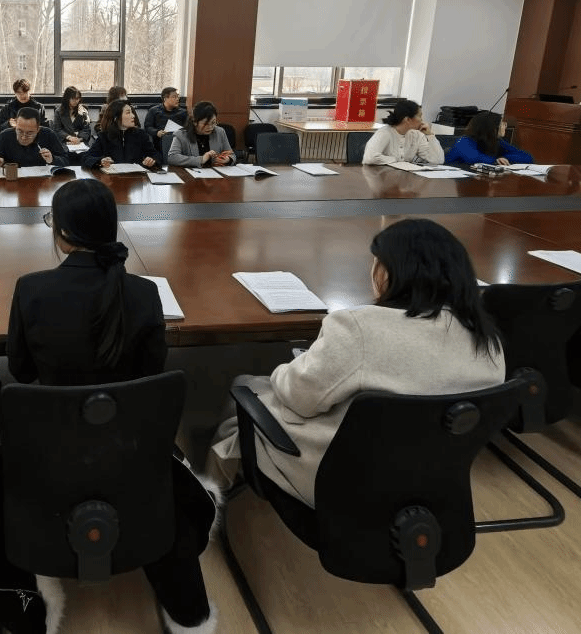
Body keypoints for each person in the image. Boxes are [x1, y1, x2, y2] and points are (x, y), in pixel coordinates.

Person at [0, 179, 219, 634]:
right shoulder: (145, 294)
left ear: (63, 234)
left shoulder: (31, 290)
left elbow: (21, 372)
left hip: (47, 459)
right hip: (130, 455)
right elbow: (150, 375)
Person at [211, 218, 505, 506]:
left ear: (388, 273)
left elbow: (299, 398)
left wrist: (286, 371)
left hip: (343, 480)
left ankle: (212, 501)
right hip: (433, 481)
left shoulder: (359, 327)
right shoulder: (488, 341)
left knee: (245, 388)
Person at [82, 99, 160, 170]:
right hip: (112, 177)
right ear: (116, 117)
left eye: (132, 112)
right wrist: (100, 161)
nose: (133, 116)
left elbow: (156, 155)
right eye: (128, 113)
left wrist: (152, 160)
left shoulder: (141, 134)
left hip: (136, 177)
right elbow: (86, 158)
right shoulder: (104, 136)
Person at [0, 107, 68, 170]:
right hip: (12, 182)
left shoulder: (48, 134)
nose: (23, 137)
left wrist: (52, 159)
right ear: (16, 125)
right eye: (20, 131)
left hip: (41, 183)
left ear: (38, 129)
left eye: (29, 133)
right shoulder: (5, 135)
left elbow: (65, 160)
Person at [362, 99, 444, 165]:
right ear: (407, 119)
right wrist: (396, 160)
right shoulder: (385, 132)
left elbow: (438, 160)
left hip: (404, 177)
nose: (422, 120)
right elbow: (370, 158)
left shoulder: (417, 135)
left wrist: (430, 136)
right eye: (419, 116)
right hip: (381, 176)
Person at [445, 111, 533, 166]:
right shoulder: (464, 141)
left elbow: (527, 157)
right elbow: (474, 158)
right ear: (493, 128)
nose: (505, 126)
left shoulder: (497, 141)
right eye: (502, 124)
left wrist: (504, 158)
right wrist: (496, 160)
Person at [167, 100, 236, 168]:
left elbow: (231, 154)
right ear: (195, 122)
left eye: (213, 122)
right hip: (192, 174)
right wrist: (201, 159)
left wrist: (228, 159)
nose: (210, 127)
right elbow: (172, 158)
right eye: (206, 124)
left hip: (215, 173)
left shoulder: (220, 132)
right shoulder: (181, 135)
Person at [49, 85, 94, 150]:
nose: (76, 101)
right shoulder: (58, 111)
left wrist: (79, 139)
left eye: (78, 98)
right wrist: (69, 137)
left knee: (86, 154)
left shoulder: (83, 111)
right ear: (67, 98)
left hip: (80, 142)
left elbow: (86, 129)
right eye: (73, 98)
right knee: (64, 153)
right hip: (64, 142)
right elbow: (57, 129)